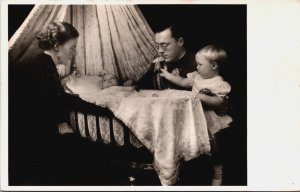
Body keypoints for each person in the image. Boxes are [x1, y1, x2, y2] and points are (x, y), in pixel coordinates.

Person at [9, 22, 79, 185]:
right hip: (31, 144)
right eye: (72, 47)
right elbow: (35, 109)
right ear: (56, 46)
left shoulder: (45, 63)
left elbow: (52, 97)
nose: (74, 53)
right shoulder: (35, 66)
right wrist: (59, 126)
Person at [160, 45, 232, 186]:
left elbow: (217, 102)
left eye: (200, 64)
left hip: (208, 119)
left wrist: (199, 96)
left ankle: (218, 172)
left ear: (214, 65)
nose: (196, 67)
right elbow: (182, 82)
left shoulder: (219, 83)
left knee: (213, 145)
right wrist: (167, 75)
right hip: (192, 116)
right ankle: (185, 169)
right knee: (188, 141)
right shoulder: (196, 77)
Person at [124, 23, 197, 90]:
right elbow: (142, 85)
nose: (160, 50)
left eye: (164, 45)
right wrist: (133, 84)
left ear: (180, 42)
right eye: (157, 45)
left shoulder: (198, 63)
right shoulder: (158, 63)